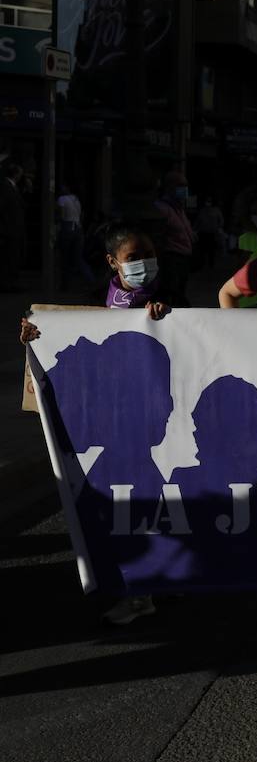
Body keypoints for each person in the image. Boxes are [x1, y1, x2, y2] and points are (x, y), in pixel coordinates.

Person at [19, 224, 170, 624]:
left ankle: (143, 591)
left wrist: (167, 319)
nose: (143, 264)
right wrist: (36, 335)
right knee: (113, 512)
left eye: (148, 254)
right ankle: (139, 586)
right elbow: (66, 342)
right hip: (108, 424)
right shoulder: (94, 303)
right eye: (133, 257)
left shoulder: (170, 299)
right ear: (112, 262)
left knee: (140, 511)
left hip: (145, 429)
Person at [153, 171, 195, 306]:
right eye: (181, 185)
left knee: (180, 292)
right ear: (170, 187)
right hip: (171, 260)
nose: (185, 189)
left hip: (183, 259)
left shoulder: (179, 208)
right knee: (173, 296)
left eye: (186, 185)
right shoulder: (161, 208)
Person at [56, 184, 93, 289]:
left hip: (67, 227)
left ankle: (65, 284)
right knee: (78, 258)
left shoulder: (62, 199)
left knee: (65, 258)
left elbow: (61, 215)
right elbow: (80, 215)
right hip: (78, 228)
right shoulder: (76, 199)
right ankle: (91, 280)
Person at [1, 160, 28, 291]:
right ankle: (8, 284)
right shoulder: (6, 187)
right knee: (10, 257)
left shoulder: (13, 187)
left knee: (14, 256)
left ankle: (10, 282)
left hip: (13, 229)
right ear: (16, 174)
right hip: (10, 230)